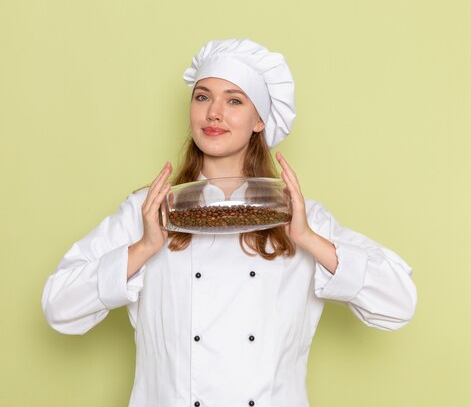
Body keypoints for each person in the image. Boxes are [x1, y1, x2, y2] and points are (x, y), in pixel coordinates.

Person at [41, 39, 417, 407]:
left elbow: (399, 303)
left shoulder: (302, 216)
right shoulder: (149, 209)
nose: (213, 113)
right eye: (202, 97)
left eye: (234, 100)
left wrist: (307, 237)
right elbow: (59, 309)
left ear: (259, 121)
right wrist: (142, 249)